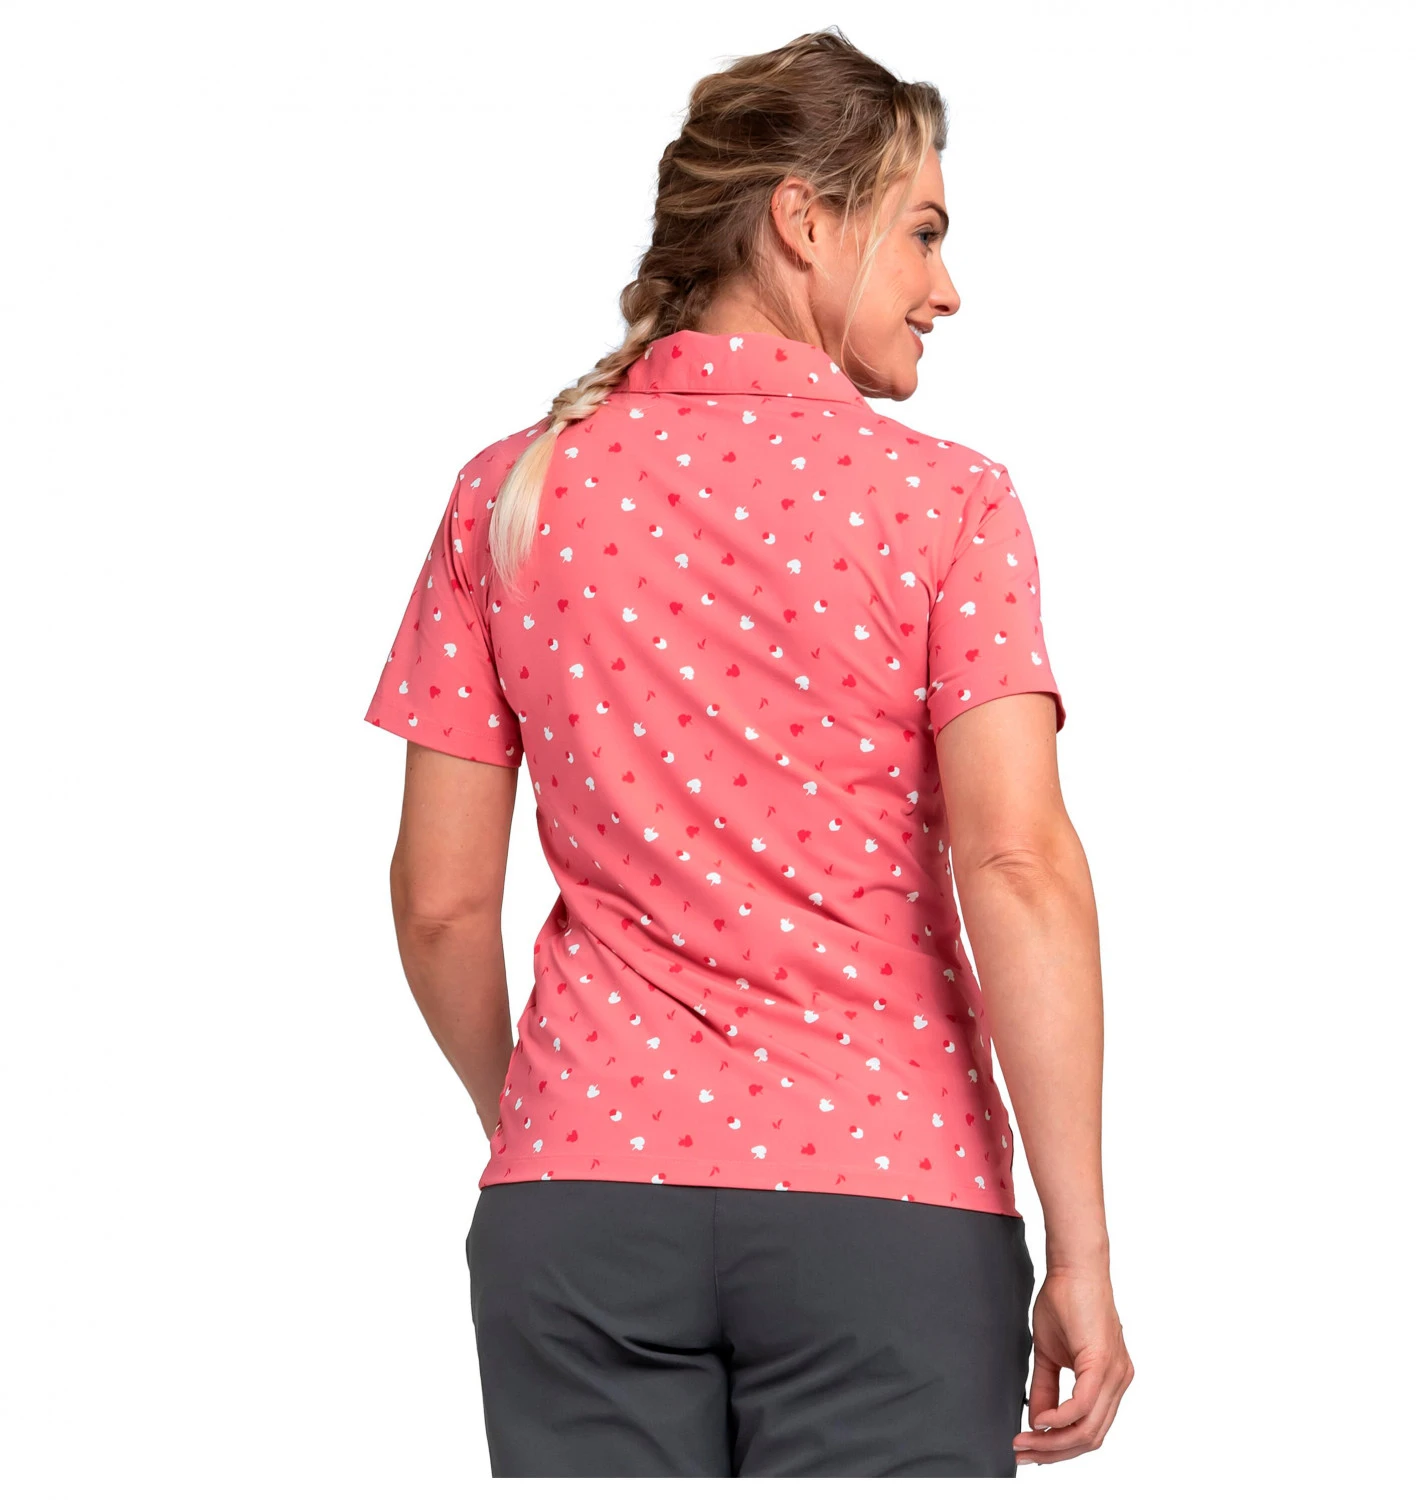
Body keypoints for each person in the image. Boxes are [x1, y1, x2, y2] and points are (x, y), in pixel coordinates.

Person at [364, 26, 1132, 1479]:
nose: (947, 289)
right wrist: (1082, 1248)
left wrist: (540, 1122)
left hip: (579, 1205)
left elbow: (439, 904)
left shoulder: (506, 492)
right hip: (888, 1208)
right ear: (801, 220)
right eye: (922, 232)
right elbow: (1019, 866)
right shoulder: (949, 506)